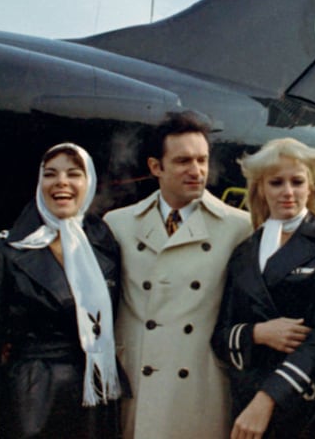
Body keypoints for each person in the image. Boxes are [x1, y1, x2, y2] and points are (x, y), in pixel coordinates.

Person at [0, 143, 123, 438]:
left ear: (89, 183)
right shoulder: (6, 250)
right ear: (39, 184)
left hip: (96, 403)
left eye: (74, 174)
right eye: (50, 174)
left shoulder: (104, 245)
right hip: (31, 400)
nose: (61, 182)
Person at [104, 111, 252, 439]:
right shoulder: (118, 224)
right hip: (138, 386)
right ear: (156, 167)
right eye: (183, 161)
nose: (196, 170)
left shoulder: (239, 227)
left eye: (202, 160)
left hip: (199, 386)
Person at [212, 138, 315, 439]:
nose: (288, 192)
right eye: (276, 182)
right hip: (248, 403)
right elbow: (221, 336)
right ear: (261, 189)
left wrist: (267, 399)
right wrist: (258, 333)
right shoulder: (243, 252)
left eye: (297, 181)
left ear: (311, 186)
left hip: (307, 406)